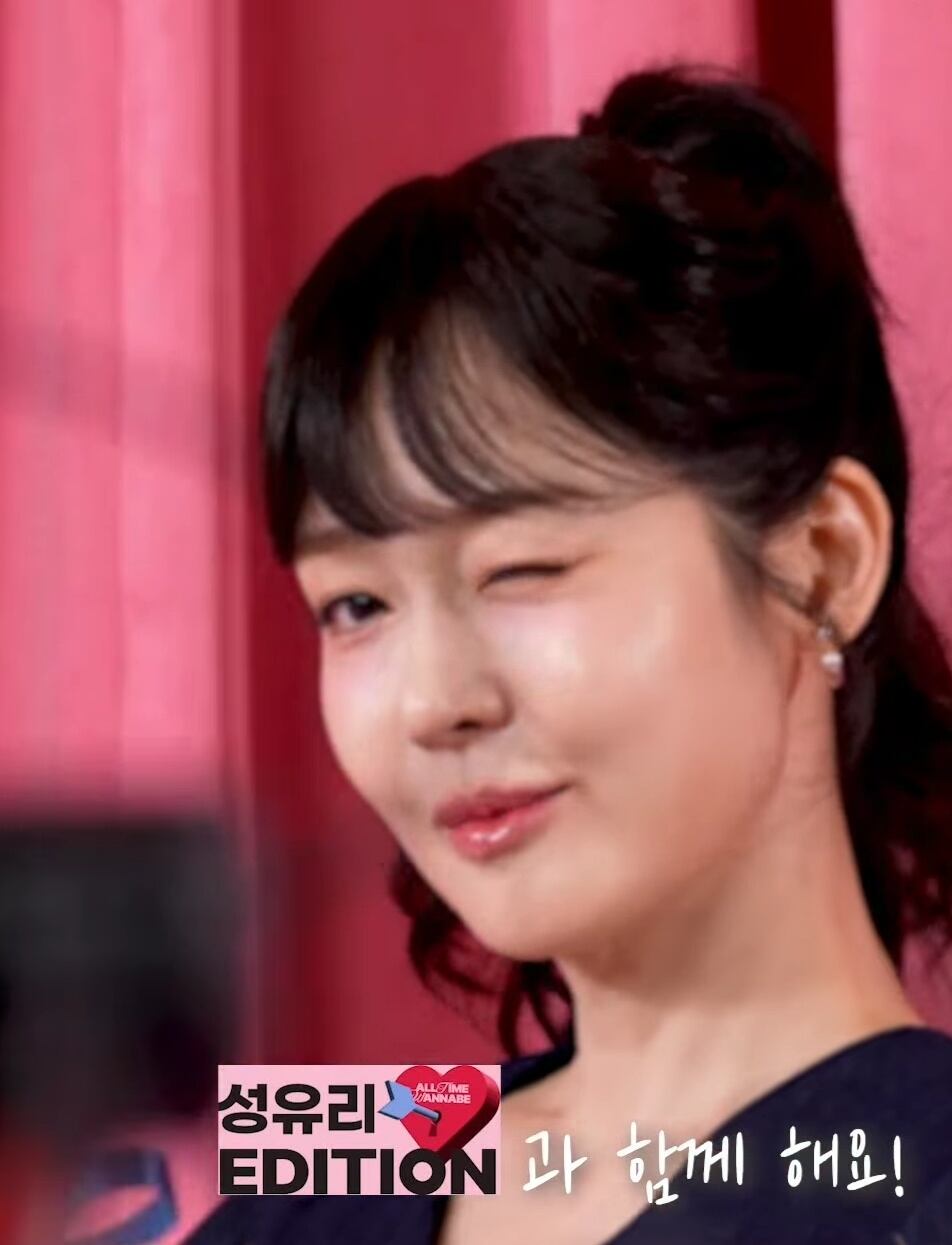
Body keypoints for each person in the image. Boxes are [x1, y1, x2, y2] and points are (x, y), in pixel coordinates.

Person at [187, 63, 952, 1244]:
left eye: (520, 571)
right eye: (356, 605)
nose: (433, 703)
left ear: (821, 560)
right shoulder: (339, 1154)